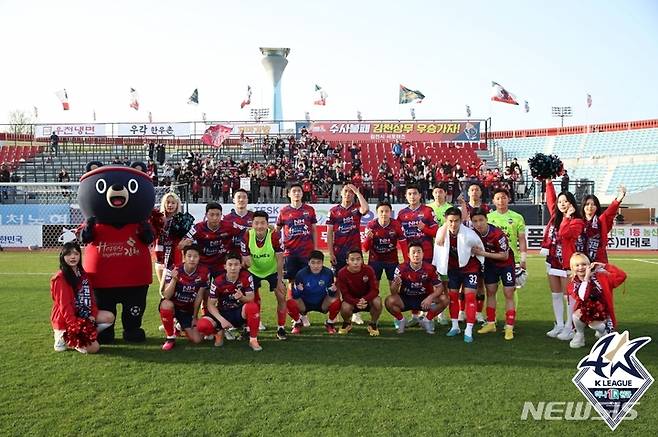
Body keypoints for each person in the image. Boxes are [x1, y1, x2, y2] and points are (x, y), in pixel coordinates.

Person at [541, 178, 585, 341]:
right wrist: (548, 183)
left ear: (572, 203)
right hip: (552, 259)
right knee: (556, 294)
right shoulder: (555, 217)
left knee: (569, 296)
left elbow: (565, 233)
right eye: (560, 201)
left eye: (566, 201)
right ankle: (559, 324)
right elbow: (550, 199)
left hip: (567, 263)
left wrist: (568, 216)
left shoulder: (577, 221)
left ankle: (570, 326)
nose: (562, 204)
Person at [50, 242, 115, 354]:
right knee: (94, 349)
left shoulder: (83, 275)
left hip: (82, 315)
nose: (73, 257)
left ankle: (89, 334)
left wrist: (92, 315)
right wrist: (75, 327)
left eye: (76, 253)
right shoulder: (60, 278)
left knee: (109, 317)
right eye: (68, 254)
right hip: (67, 321)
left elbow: (91, 299)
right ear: (62, 257)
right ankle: (63, 337)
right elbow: (65, 307)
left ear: (80, 256)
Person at [432, 207, 484, 343]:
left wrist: (478, 261)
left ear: (461, 221)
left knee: (470, 296)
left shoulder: (470, 234)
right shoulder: (442, 232)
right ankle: (455, 326)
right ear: (446, 220)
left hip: (470, 269)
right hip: (453, 270)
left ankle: (469, 329)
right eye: (450, 221)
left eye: (456, 221)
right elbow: (438, 248)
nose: (453, 224)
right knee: (453, 297)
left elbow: (480, 248)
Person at [196, 253, 263, 351]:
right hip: (223, 312)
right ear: (225, 267)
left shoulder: (246, 276)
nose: (233, 268)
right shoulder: (218, 281)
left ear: (240, 266)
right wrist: (222, 320)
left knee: (252, 306)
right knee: (202, 325)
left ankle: (253, 340)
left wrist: (242, 298)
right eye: (230, 265)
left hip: (239, 313)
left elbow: (251, 298)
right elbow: (210, 304)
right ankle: (218, 332)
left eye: (236, 264)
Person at [469, 209, 517, 340]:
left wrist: (483, 254)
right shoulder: (473, 233)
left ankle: (509, 326)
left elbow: (504, 255)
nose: (478, 224)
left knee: (508, 293)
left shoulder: (497, 234)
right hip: (490, 265)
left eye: (481, 220)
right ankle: (491, 323)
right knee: (490, 292)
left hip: (506, 265)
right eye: (475, 221)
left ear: (486, 219)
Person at [327, 183, 369, 325]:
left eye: (351, 192)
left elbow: (366, 209)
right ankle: (336, 310)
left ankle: (356, 313)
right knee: (337, 282)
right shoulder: (333, 211)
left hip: (355, 252)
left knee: (356, 282)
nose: (348, 194)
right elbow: (329, 233)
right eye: (346, 191)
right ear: (341, 193)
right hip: (339, 252)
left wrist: (358, 192)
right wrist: (331, 252)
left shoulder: (356, 209)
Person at [242, 211, 288, 340]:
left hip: (272, 270)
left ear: (268, 224)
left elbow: (280, 260)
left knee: (281, 296)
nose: (259, 226)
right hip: (253, 271)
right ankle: (248, 328)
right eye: (256, 223)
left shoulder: (274, 235)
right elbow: (244, 260)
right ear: (252, 224)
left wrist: (279, 281)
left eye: (263, 223)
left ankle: (281, 328)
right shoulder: (247, 235)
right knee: (251, 299)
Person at [397, 184, 438, 326]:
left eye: (415, 193)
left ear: (420, 195)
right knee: (410, 283)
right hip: (411, 256)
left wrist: (424, 228)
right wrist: (405, 256)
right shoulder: (402, 214)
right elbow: (400, 237)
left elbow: (436, 233)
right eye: (409, 194)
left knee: (427, 283)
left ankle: (427, 315)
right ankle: (414, 316)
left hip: (426, 254)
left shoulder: (428, 211)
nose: (412, 196)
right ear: (406, 196)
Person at [385, 243, 448, 335]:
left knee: (445, 299)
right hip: (406, 298)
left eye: (419, 252)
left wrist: (430, 297)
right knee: (389, 301)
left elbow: (440, 287)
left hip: (424, 299)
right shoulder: (401, 268)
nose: (416, 255)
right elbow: (393, 292)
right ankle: (401, 320)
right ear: (408, 255)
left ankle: (427, 320)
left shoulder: (430, 268)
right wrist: (395, 284)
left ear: (423, 254)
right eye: (413, 252)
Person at [568, 253, 626, 349]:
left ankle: (602, 331)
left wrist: (605, 266)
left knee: (610, 345)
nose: (581, 268)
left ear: (589, 265)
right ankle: (580, 335)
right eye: (577, 265)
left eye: (584, 264)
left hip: (605, 313)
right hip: (585, 314)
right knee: (576, 315)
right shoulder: (572, 283)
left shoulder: (602, 277)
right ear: (572, 268)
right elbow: (583, 296)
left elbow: (622, 276)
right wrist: (586, 278)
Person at [276, 183, 317, 316]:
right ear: (289, 194)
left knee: (306, 282)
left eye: (299, 191)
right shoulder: (283, 212)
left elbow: (314, 230)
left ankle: (304, 314)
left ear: (302, 193)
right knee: (292, 282)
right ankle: (294, 313)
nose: (297, 193)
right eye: (294, 191)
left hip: (307, 252)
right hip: (290, 252)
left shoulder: (309, 210)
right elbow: (277, 230)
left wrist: (315, 249)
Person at [159, 244, 208, 351]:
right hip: (173, 306)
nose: (192, 259)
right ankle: (170, 338)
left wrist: (194, 317)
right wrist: (174, 279)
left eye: (195, 256)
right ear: (184, 257)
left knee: (197, 340)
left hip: (187, 310)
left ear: (199, 258)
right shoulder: (175, 269)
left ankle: (178, 326)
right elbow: (166, 296)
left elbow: (199, 296)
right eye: (189, 256)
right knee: (166, 304)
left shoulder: (204, 272)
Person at [287, 251, 342, 335]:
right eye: (313, 262)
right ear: (308, 263)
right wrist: (298, 290)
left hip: (322, 303)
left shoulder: (328, 273)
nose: (316, 266)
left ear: (323, 263)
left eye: (319, 263)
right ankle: (298, 323)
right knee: (290, 303)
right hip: (305, 304)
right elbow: (295, 296)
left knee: (336, 301)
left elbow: (330, 293)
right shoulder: (301, 274)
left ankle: (330, 323)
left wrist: (332, 290)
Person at [336, 250, 382, 336]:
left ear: (362, 260)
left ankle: (373, 324)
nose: (355, 262)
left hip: (367, 300)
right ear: (347, 261)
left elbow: (375, 290)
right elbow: (345, 295)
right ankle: (347, 323)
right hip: (352, 301)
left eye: (358, 259)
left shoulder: (368, 270)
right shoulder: (342, 273)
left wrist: (365, 299)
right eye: (352, 260)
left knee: (377, 301)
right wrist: (356, 302)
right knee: (344, 306)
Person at [363, 201, 408, 286]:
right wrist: (368, 238)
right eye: (381, 211)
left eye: (387, 211)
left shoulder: (397, 225)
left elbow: (404, 245)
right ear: (377, 212)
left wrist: (406, 262)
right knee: (374, 289)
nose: (384, 214)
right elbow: (365, 249)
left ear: (390, 212)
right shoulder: (371, 225)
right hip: (375, 260)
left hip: (392, 260)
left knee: (395, 288)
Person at [578, 186, 626, 264]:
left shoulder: (601, 221)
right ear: (583, 206)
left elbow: (610, 212)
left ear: (597, 207)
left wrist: (618, 199)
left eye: (593, 204)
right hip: (581, 261)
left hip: (599, 260)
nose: (590, 207)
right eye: (587, 204)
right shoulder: (577, 222)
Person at [155, 192, 183, 297]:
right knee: (162, 292)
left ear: (177, 205)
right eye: (168, 202)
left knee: (170, 291)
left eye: (173, 203)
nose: (170, 205)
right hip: (159, 258)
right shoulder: (157, 218)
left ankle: (172, 312)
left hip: (173, 259)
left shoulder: (181, 220)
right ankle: (165, 312)